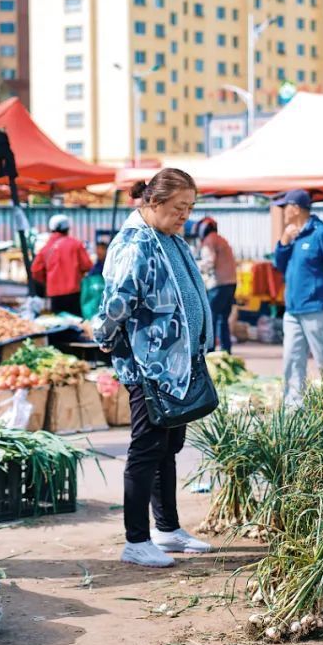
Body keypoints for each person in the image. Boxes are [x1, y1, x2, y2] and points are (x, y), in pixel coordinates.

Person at [94, 169, 213, 568]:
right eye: (180, 207)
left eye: (190, 208)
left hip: (176, 364)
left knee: (167, 448)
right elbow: (116, 304)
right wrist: (106, 340)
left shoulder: (168, 237)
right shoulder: (135, 243)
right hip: (151, 366)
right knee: (145, 449)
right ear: (154, 202)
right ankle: (136, 539)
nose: (186, 215)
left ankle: (167, 529)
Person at [272, 189, 323, 406]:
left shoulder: (321, 233)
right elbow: (278, 265)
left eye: (285, 207)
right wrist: (284, 242)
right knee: (292, 360)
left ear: (296, 209)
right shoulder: (292, 235)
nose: (283, 212)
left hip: (317, 309)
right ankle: (294, 407)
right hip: (293, 310)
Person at [32, 214, 92, 316]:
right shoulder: (76, 244)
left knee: (59, 323)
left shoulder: (46, 248)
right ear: (67, 228)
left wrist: (48, 280)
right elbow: (87, 265)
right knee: (76, 323)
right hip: (74, 293)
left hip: (54, 294)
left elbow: (35, 270)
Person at [197, 217, 238, 353]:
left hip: (218, 284)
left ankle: (210, 350)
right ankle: (226, 350)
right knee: (222, 319)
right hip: (231, 283)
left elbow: (209, 262)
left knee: (211, 318)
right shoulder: (222, 239)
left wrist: (193, 266)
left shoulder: (210, 241)